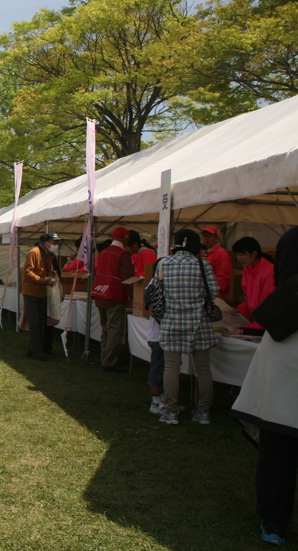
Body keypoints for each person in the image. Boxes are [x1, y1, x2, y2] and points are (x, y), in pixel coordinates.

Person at [230, 226, 298, 547]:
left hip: (282, 358)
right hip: (284, 352)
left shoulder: (292, 240)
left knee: (277, 452)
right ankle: (274, 523)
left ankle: (274, 523)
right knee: (278, 447)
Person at [157, 228, 219, 426]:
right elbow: (214, 291)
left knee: (171, 368)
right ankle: (203, 412)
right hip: (199, 322)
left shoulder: (163, 264)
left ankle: (171, 411)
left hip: (172, 321)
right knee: (203, 370)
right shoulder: (202, 264)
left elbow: (157, 292)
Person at [91, 227, 135, 372]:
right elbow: (128, 279)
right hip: (114, 295)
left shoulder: (103, 253)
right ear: (125, 238)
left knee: (105, 329)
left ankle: (104, 358)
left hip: (100, 293)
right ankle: (109, 362)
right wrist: (133, 298)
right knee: (114, 331)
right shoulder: (123, 255)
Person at [22, 233, 60, 360]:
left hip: (42, 292)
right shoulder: (34, 253)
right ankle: (36, 351)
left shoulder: (49, 255)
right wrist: (42, 280)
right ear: (46, 243)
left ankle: (34, 348)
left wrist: (50, 276)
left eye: (57, 243)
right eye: (54, 243)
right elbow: (27, 272)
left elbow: (46, 271)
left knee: (41, 322)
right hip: (31, 292)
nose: (56, 245)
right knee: (34, 323)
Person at [230, 236, 276, 329]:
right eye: (237, 255)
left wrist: (252, 327)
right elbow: (249, 297)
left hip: (266, 322)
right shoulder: (248, 269)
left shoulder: (268, 272)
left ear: (254, 253)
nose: (239, 258)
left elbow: (268, 304)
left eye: (242, 255)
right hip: (257, 319)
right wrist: (241, 310)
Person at [201, 225, 233, 295]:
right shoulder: (204, 253)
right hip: (206, 292)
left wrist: (217, 292)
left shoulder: (221, 253)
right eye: (204, 236)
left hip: (215, 293)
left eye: (209, 236)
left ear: (216, 238)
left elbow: (223, 275)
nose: (206, 238)